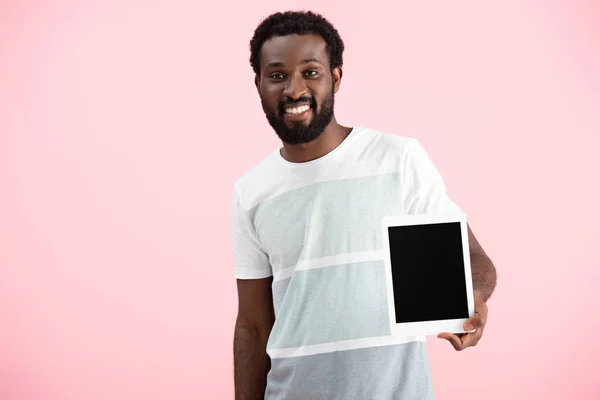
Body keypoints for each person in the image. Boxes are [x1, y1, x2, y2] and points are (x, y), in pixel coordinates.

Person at [231, 10, 497, 400]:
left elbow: (474, 260)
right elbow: (252, 328)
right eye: (277, 75)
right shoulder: (251, 191)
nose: (293, 89)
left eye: (310, 71)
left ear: (335, 76)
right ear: (259, 84)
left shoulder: (398, 159)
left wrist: (469, 299)